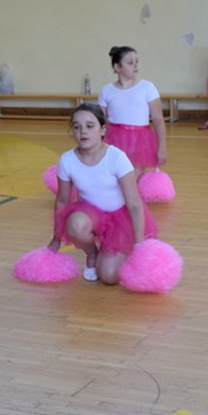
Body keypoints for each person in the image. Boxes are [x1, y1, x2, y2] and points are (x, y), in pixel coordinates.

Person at [48, 103, 157, 284]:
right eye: (77, 127)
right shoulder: (67, 160)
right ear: (72, 131)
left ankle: (121, 251)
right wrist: (56, 238)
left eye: (90, 126)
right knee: (75, 224)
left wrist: (139, 245)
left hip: (120, 218)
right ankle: (92, 254)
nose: (83, 131)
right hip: (91, 215)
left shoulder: (117, 158)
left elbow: (134, 204)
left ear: (103, 130)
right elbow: (62, 202)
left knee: (109, 276)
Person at [97, 46, 167, 176]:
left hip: (139, 140)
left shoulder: (147, 87)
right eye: (130, 63)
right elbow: (100, 121)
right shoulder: (106, 90)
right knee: (113, 175)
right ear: (117, 67)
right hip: (114, 139)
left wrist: (161, 147)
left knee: (133, 178)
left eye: (136, 61)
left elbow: (158, 119)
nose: (135, 65)